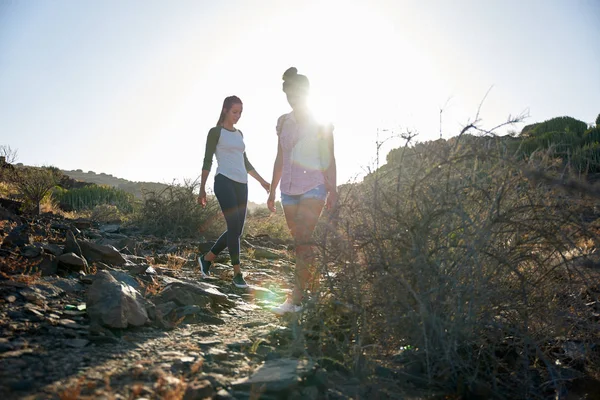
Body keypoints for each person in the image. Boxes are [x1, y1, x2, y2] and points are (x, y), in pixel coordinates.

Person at [268, 67, 337, 315]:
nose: (292, 98)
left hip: (314, 186)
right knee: (301, 244)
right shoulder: (283, 122)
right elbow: (280, 157)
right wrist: (271, 190)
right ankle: (316, 292)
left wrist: (333, 189)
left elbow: (329, 157)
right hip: (288, 190)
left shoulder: (321, 121)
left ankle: (295, 300)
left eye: (296, 93)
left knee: (304, 238)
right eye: (288, 94)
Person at [197, 95, 270, 288]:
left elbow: (245, 162)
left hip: (242, 184)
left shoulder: (239, 134)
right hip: (224, 181)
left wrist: (262, 181)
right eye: (234, 112)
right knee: (233, 225)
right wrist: (202, 188)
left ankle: (207, 258)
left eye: (240, 113)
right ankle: (237, 272)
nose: (238, 116)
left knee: (236, 230)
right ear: (225, 110)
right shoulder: (215, 132)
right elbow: (207, 161)